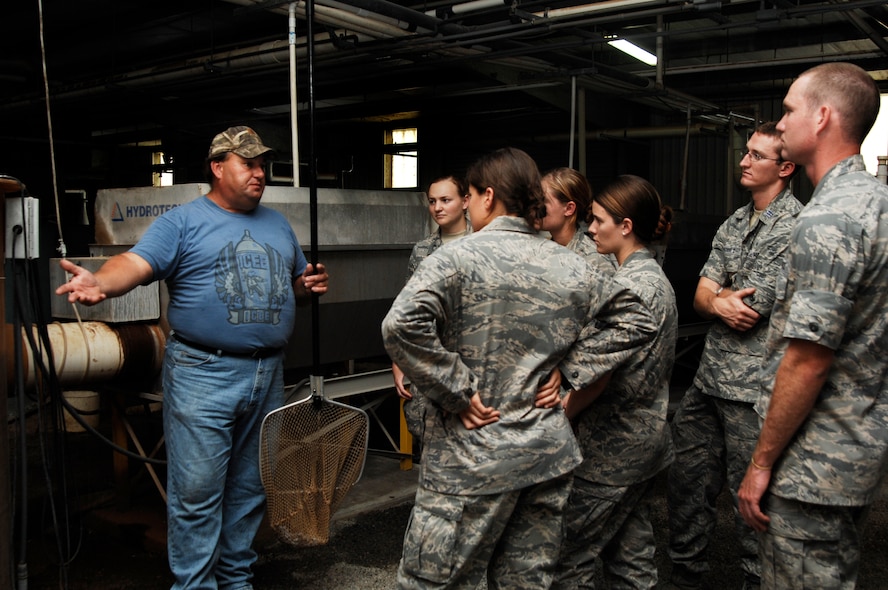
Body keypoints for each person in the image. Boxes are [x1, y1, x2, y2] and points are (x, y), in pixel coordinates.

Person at [56, 125, 329, 590]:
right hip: (205, 372)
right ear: (218, 167)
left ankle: (235, 579)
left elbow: (291, 289)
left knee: (250, 488)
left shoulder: (278, 224)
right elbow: (137, 262)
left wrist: (303, 288)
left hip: (268, 374)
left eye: (263, 164)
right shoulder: (182, 222)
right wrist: (102, 280)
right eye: (249, 163)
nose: (260, 173)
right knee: (198, 492)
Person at [382, 147, 610, 589]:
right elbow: (636, 318)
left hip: (471, 459)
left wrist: (457, 391)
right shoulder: (574, 264)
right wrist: (574, 366)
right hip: (544, 456)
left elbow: (400, 325)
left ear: (487, 197)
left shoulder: (455, 257)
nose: (465, 205)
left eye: (467, 195)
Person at [737, 62, 888, 589]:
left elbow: (808, 358)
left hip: (813, 464)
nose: (780, 124)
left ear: (821, 117)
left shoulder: (830, 218)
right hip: (855, 448)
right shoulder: (875, 202)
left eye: (788, 110)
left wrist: (760, 463)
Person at [666, 122, 802, 590]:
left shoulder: (794, 227)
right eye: (745, 153)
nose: (743, 161)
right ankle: (686, 576)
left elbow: (749, 309)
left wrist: (718, 297)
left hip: (752, 392)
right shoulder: (733, 222)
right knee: (687, 485)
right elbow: (701, 297)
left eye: (756, 156)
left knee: (752, 504)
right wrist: (717, 298)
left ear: (784, 168)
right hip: (708, 381)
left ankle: (752, 580)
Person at [554, 174, 677, 590]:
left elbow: (596, 378)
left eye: (599, 220)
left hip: (610, 450)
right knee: (630, 557)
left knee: (569, 558)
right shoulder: (654, 277)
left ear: (625, 227)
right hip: (644, 442)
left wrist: (558, 419)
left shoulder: (629, 287)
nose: (591, 229)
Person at [392, 175, 472, 442]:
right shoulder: (423, 250)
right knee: (428, 430)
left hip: (472, 357)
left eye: (446, 200)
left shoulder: (483, 245)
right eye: (432, 201)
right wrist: (399, 358)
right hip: (431, 357)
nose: (438, 207)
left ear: (465, 202)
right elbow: (409, 309)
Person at [539, 166, 617, 275]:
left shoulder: (593, 261)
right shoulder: (542, 251)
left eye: (544, 200)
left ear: (569, 208)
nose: (537, 206)